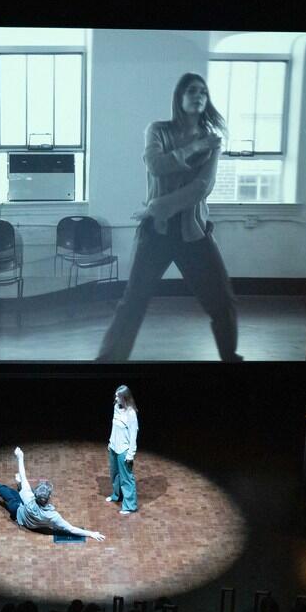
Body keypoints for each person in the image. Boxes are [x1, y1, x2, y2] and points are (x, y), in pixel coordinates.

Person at [96, 73, 241, 362]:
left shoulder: (213, 140)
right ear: (179, 96)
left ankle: (231, 359)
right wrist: (194, 148)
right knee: (133, 303)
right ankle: (106, 363)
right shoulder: (158, 130)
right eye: (192, 91)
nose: (198, 96)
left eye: (203, 92)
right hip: (156, 232)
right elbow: (155, 164)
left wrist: (156, 206)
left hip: (193, 231)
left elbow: (202, 186)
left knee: (222, 301)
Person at [0, 446, 105, 541]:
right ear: (49, 497)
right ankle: (17, 484)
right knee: (14, 490)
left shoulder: (29, 499)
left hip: (19, 511)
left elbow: (24, 476)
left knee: (6, 491)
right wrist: (91, 533)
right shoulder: (53, 516)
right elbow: (70, 528)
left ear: (36, 495)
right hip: (29, 522)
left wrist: (20, 457)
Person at [106, 384, 140, 514]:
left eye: (118, 396)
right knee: (114, 474)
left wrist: (130, 454)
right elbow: (114, 427)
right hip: (114, 447)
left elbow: (133, 435)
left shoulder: (131, 414)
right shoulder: (116, 407)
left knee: (126, 478)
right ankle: (117, 495)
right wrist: (111, 441)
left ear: (124, 398)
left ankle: (130, 506)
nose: (115, 398)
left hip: (124, 450)